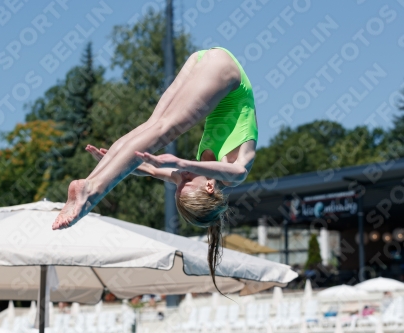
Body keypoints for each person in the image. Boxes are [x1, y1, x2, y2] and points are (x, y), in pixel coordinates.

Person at [52, 47, 258, 289]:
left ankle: (90, 181)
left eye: (179, 183)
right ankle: (91, 191)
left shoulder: (194, 177)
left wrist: (113, 160)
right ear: (211, 187)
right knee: (163, 131)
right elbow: (240, 173)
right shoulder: (231, 172)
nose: (181, 178)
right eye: (186, 182)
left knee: (151, 127)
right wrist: (181, 163)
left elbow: (147, 167)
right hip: (226, 72)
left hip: (202, 60)